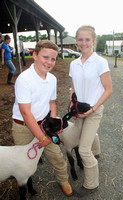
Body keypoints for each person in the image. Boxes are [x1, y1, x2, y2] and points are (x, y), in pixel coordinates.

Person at [12, 40, 72, 196]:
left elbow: (52, 102)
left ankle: (63, 180)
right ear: (34, 55)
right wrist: (41, 137)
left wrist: (52, 124)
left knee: (57, 156)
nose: (49, 62)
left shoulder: (52, 79)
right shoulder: (24, 79)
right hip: (23, 127)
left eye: (53, 59)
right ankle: (25, 185)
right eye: (45, 57)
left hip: (44, 125)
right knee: (25, 162)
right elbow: (25, 112)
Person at [69, 25, 112, 197]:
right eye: (80, 39)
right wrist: (71, 105)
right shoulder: (73, 63)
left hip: (93, 110)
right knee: (85, 134)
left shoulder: (100, 62)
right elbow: (73, 88)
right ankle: (97, 151)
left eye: (87, 39)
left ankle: (91, 184)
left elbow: (108, 90)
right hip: (79, 110)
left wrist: (93, 109)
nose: (84, 43)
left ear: (93, 40)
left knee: (83, 150)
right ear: (76, 42)